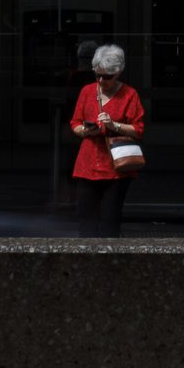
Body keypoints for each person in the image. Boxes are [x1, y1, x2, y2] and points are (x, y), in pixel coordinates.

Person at [68, 43, 144, 238]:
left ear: (118, 72)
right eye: (98, 75)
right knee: (86, 222)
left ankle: (108, 256)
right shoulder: (87, 91)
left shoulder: (129, 95)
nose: (101, 80)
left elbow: (138, 130)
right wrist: (85, 131)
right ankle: (87, 256)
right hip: (87, 164)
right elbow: (75, 123)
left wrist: (113, 125)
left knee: (110, 222)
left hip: (116, 167)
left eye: (107, 76)